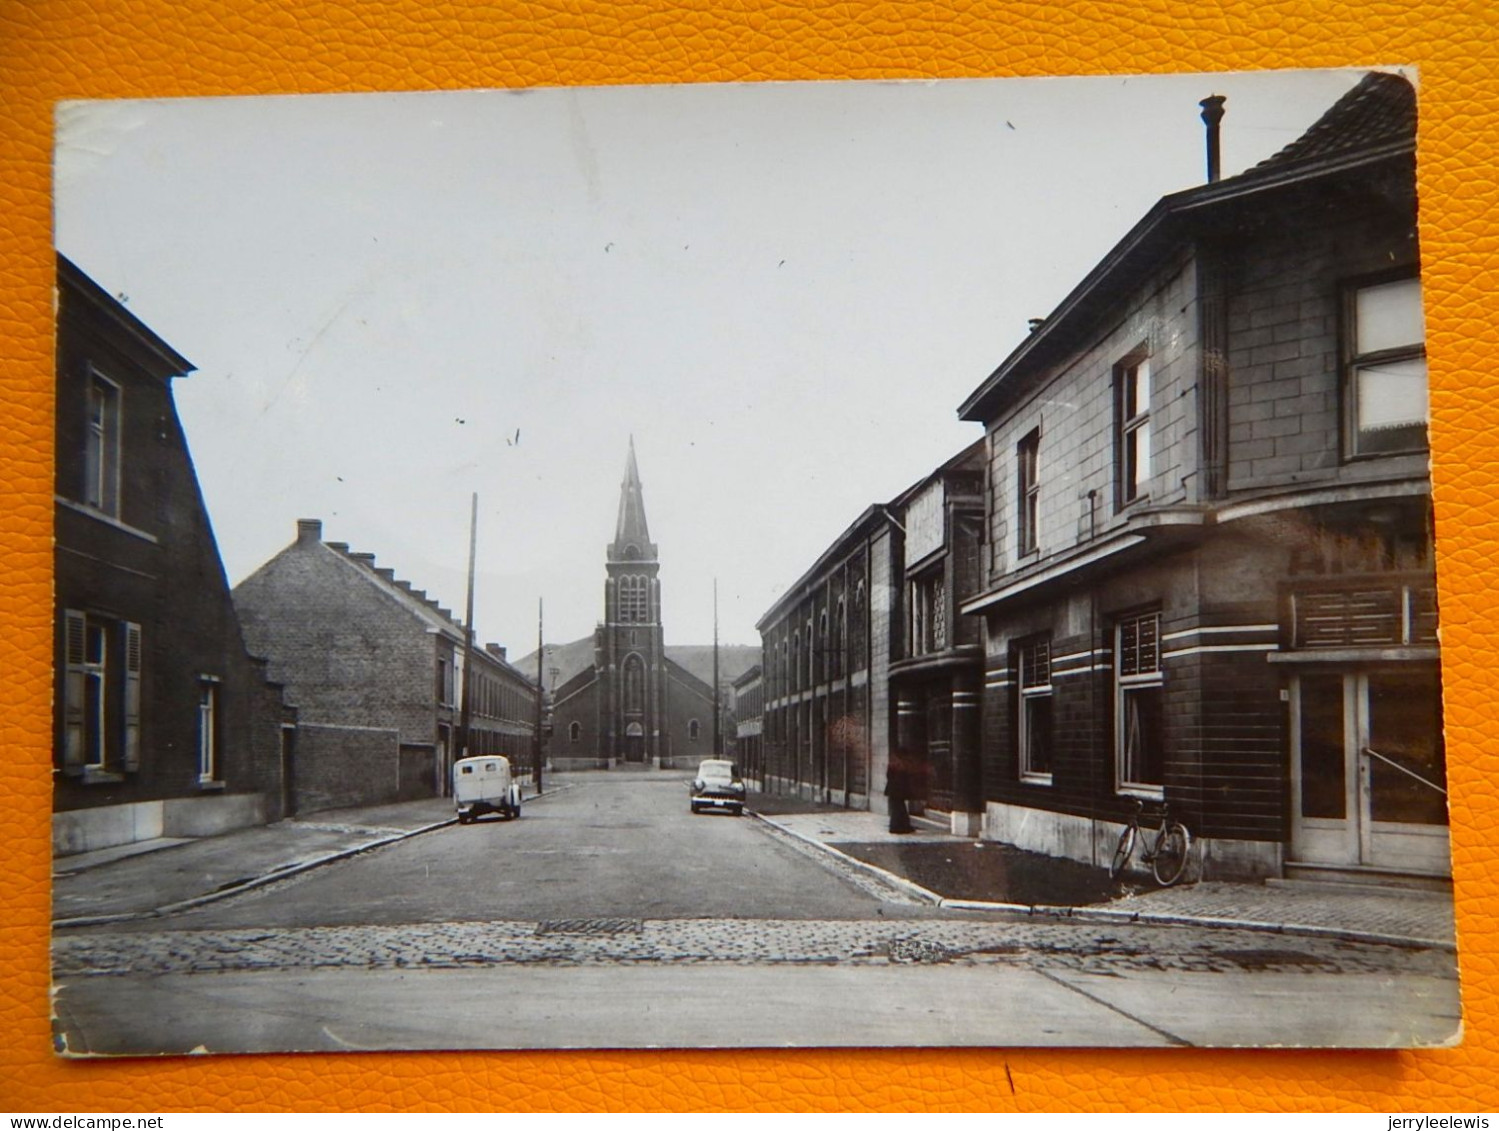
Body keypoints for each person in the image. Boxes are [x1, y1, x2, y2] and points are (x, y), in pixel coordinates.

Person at [885, 750, 915, 834]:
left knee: (897, 808)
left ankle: (899, 826)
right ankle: (899, 827)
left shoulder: (893, 763)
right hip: (898, 790)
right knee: (899, 809)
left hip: (893, 790)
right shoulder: (901, 765)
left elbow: (888, 776)